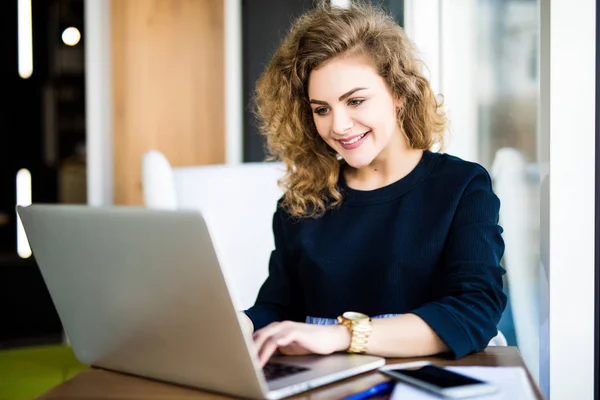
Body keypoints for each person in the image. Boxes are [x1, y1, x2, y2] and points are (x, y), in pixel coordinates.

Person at [239, 2, 507, 367]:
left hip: (425, 384)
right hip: (323, 386)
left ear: (399, 93)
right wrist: (240, 323)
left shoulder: (462, 187)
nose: (340, 125)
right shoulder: (301, 201)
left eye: (356, 101)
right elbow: (281, 307)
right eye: (322, 109)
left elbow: (475, 311)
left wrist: (341, 336)